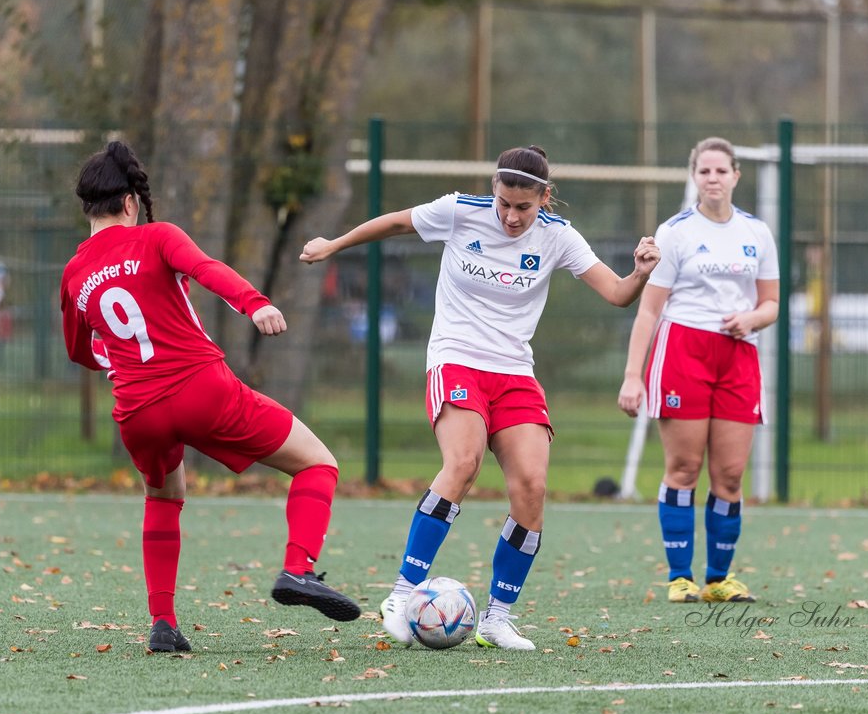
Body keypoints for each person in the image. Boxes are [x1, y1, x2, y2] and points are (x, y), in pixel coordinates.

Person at [301, 145, 660, 651]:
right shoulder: (459, 212)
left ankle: (496, 618)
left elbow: (619, 293)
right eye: (504, 203)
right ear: (493, 190)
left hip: (514, 372)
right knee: (464, 463)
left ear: (544, 199)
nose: (512, 217)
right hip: (457, 358)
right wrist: (333, 244)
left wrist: (641, 272)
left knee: (532, 487)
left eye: (524, 207)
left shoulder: (558, 237)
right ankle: (403, 594)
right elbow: (395, 223)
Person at [60, 140, 360, 654]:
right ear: (130, 202)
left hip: (136, 412)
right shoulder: (157, 237)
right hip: (200, 389)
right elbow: (206, 269)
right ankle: (298, 570)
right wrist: (255, 303)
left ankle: (163, 624)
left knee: (164, 497)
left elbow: (80, 352)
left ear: (88, 206)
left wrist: (125, 361)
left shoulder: (74, 274)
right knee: (318, 463)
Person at [617, 137, 780, 605]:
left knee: (729, 474)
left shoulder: (756, 233)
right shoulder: (675, 233)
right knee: (684, 468)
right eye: (704, 171)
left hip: (738, 356)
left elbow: (770, 304)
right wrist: (634, 376)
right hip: (683, 351)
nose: (713, 179)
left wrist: (751, 318)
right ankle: (679, 577)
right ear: (694, 176)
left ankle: (719, 579)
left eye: (721, 171)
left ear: (735, 176)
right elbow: (648, 311)